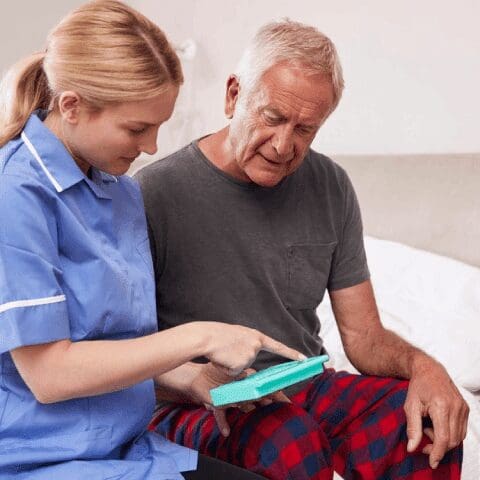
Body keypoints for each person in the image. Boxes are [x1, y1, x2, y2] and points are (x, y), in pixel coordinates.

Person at [136, 20, 469, 480]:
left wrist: (425, 367)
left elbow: (364, 337)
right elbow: (124, 349)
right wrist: (197, 380)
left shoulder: (331, 187)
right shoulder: (154, 193)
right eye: (272, 117)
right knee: (287, 436)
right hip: (195, 399)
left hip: (299, 386)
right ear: (234, 95)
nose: (283, 145)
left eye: (305, 129)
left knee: (420, 421)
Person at [0, 3, 304, 479]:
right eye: (137, 128)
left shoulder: (118, 190)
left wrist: (194, 379)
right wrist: (200, 337)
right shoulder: (14, 194)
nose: (152, 148)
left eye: (159, 126)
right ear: (72, 106)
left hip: (128, 448)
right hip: (40, 460)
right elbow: (49, 375)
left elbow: (110, 345)